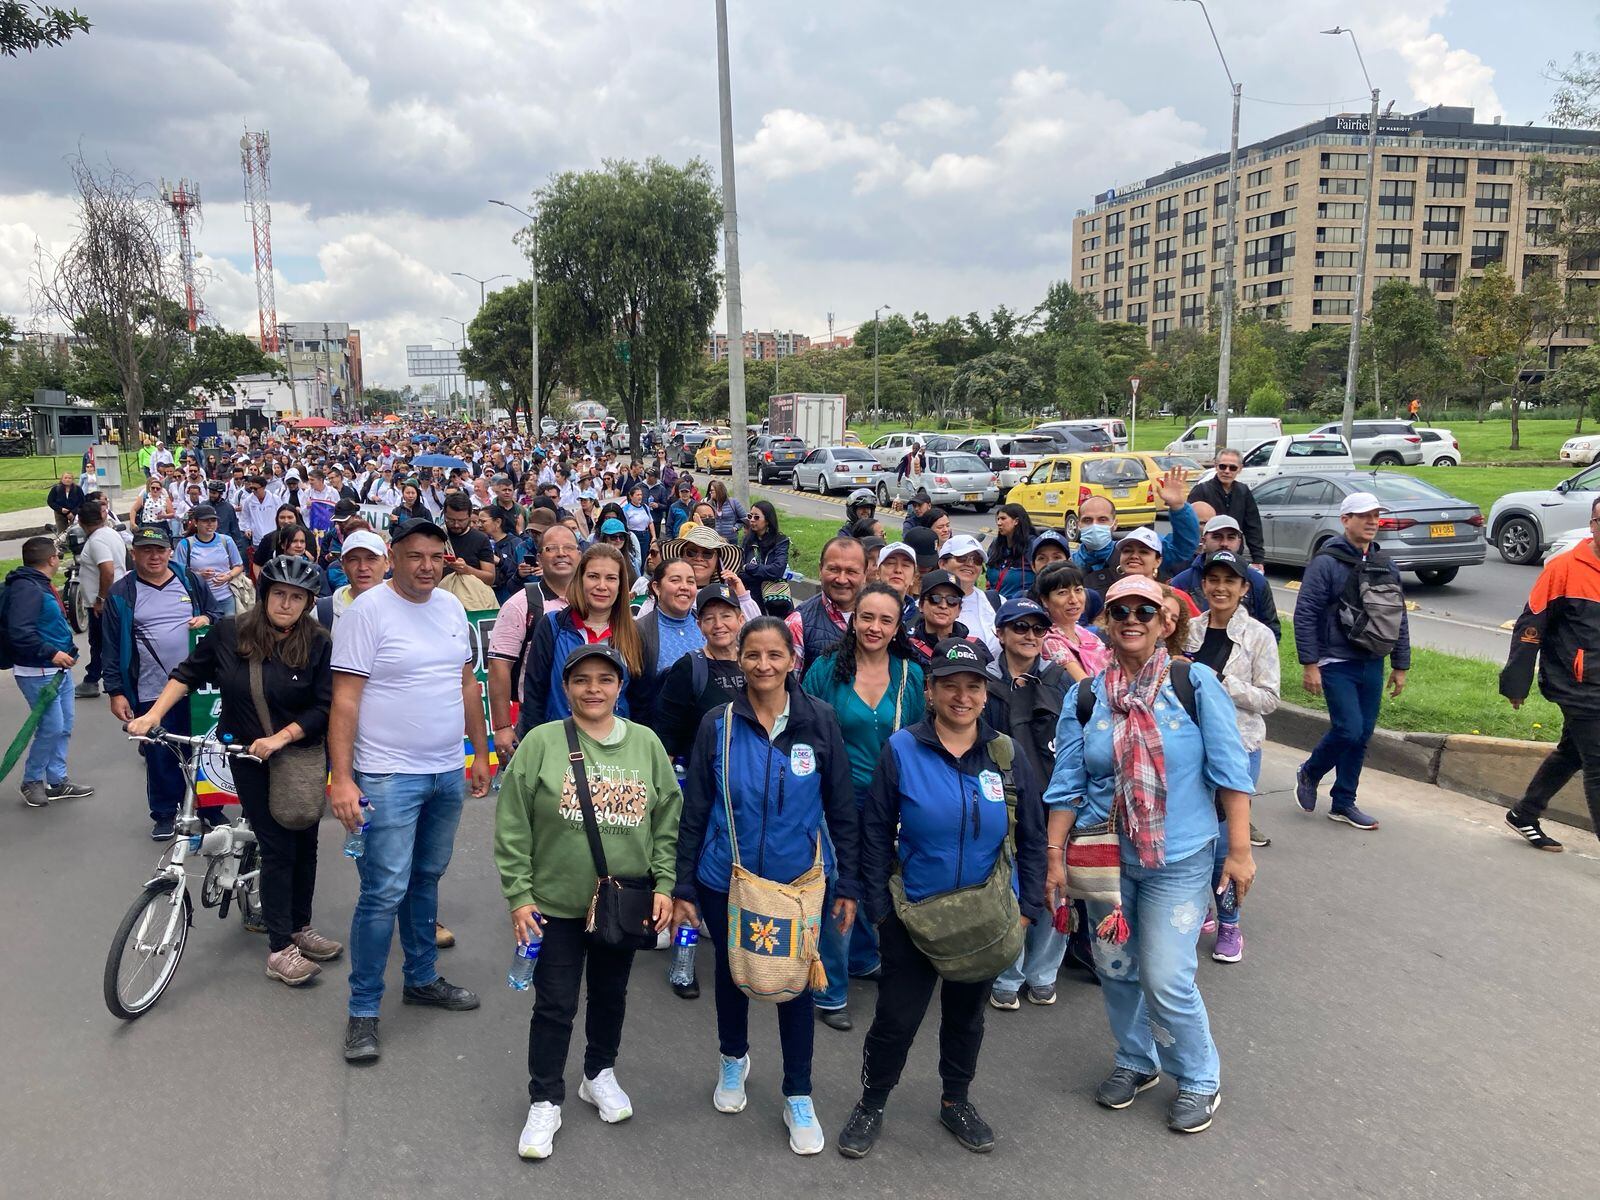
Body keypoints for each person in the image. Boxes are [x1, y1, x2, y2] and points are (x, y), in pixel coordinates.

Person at [1044, 574, 1256, 1134]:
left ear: (1166, 623)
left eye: (1145, 610)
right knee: (1115, 969)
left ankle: (1199, 1076)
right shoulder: (1086, 694)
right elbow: (1067, 779)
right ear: (1106, 624)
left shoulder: (1194, 682)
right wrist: (1053, 857)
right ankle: (1136, 1060)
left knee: (1165, 977)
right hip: (1104, 859)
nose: (1132, 619)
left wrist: (1239, 849)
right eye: (1120, 611)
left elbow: (1230, 770)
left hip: (1178, 859)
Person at [837, 638, 1046, 1159]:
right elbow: (875, 831)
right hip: (913, 915)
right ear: (929, 692)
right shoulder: (902, 748)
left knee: (966, 1018)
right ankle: (872, 1101)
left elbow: (1033, 839)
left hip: (983, 916)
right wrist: (881, 912)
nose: (961, 696)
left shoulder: (1005, 754)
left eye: (972, 686)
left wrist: (1026, 909)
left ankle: (956, 1101)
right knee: (896, 1020)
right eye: (949, 685)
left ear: (985, 693)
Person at [675, 617, 858, 1156]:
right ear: (740, 659)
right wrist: (685, 884)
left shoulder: (819, 722)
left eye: (774, 655)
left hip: (796, 884)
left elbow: (842, 809)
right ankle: (733, 1061)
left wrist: (849, 881)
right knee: (733, 976)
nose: (763, 665)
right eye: (752, 655)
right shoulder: (718, 724)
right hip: (723, 878)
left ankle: (798, 1093)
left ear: (791, 660)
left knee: (794, 987)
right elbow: (697, 808)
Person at [494, 643, 681, 1161]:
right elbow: (512, 823)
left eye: (604, 679)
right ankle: (545, 1098)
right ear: (566, 687)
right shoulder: (541, 743)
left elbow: (668, 819)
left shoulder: (644, 744)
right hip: (554, 903)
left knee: (610, 993)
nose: (593, 689)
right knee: (554, 1002)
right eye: (582, 680)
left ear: (620, 688)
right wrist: (519, 895)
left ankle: (599, 1072)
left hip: (623, 902)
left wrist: (665, 884)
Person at [127, 555, 340, 986]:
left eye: (296, 597)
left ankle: (300, 925)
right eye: (279, 593)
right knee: (278, 846)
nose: (286, 603)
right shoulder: (230, 632)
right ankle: (280, 948)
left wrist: (282, 738)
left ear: (307, 603)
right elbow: (187, 674)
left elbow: (324, 705)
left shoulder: (318, 642)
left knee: (305, 841)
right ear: (264, 596)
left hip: (298, 756)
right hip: (246, 756)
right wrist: (153, 715)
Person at [329, 516, 491, 1065]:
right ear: (392, 557)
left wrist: (480, 751)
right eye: (414, 555)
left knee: (426, 877)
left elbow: (467, 683)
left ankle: (421, 978)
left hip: (446, 771)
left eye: (435, 555)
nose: (426, 566)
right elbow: (345, 700)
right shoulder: (366, 612)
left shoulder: (449, 608)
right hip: (388, 777)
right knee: (382, 893)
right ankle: (363, 1011)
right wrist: (343, 778)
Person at [802, 582, 926, 1029]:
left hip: (890, 802)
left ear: (897, 627)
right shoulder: (825, 669)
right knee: (839, 886)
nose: (874, 627)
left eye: (885, 620)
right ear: (853, 620)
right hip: (834, 799)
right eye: (866, 617)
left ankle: (859, 957)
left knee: (877, 883)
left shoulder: (912, 675)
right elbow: (803, 729)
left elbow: (920, 741)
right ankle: (830, 990)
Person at [1292, 491, 1410, 831]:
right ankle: (1311, 772)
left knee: (1363, 734)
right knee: (1348, 728)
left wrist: (1401, 664)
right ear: (1346, 520)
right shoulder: (1326, 562)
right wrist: (1310, 663)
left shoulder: (1385, 562)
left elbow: (1398, 615)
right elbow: (1306, 613)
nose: (1372, 521)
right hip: (1335, 660)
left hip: (1372, 660)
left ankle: (1344, 802)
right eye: (1364, 515)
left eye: (1376, 515)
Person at [1183, 551, 1280, 960]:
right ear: (1203, 585)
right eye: (1213, 579)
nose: (1220, 587)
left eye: (1230, 580)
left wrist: (1222, 682)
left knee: (1226, 842)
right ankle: (1197, 907)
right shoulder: (1189, 630)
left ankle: (1229, 924)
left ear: (1244, 588)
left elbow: (1269, 699)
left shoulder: (1259, 636)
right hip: (1189, 748)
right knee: (1192, 838)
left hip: (1238, 748)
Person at [977, 597, 1073, 1010]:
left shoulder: (1059, 680)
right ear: (1000, 633)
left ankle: (1043, 971)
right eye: (1020, 628)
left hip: (1053, 802)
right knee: (1006, 887)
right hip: (1000, 802)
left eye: (1038, 629)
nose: (1030, 636)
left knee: (1054, 885)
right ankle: (1007, 970)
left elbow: (1076, 745)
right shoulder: (981, 681)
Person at [102, 524, 218, 840]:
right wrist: (115, 691)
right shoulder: (122, 594)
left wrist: (207, 619)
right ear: (134, 553)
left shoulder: (190, 581)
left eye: (160, 550)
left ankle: (209, 808)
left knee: (206, 749)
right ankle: (165, 812)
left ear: (170, 551)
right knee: (160, 752)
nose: (154, 556)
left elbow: (216, 615)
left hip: (197, 688)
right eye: (146, 550)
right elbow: (110, 647)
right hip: (150, 688)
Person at [1499, 494, 1600, 850]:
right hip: (1575, 683)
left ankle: (1524, 814)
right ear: (1593, 525)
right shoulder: (1564, 569)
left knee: (1573, 751)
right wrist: (1517, 681)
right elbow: (1530, 626)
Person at [519, 544, 648, 733]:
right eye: (593, 576)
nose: (602, 586)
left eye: (611, 578)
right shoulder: (552, 626)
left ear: (621, 586)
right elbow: (534, 695)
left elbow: (641, 703)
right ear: (580, 579)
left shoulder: (634, 633)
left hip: (615, 748)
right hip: (560, 743)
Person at [3, 537, 87, 808]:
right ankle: (31, 780)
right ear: (52, 559)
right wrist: (51, 652)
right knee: (51, 727)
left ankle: (57, 780)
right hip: (38, 670)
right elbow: (20, 631)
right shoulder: (27, 590)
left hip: (56, 669)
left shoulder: (37, 584)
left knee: (64, 725)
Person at [487, 524, 581, 756]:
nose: (561, 553)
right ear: (539, 557)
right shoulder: (520, 604)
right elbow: (499, 666)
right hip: (537, 722)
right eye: (552, 548)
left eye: (568, 547)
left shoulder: (594, 600)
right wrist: (501, 727)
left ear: (579, 555)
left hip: (588, 718)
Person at [1071, 469, 1199, 595]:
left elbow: (1183, 547)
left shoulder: (1136, 547)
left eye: (1102, 520)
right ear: (1078, 525)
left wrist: (1179, 508)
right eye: (1087, 520)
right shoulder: (1070, 565)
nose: (1095, 525)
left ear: (1115, 524)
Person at [1169, 515, 1280, 639]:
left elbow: (1270, 628)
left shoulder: (1257, 581)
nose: (1224, 544)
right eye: (1217, 537)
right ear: (1203, 541)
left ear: (1239, 542)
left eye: (1231, 538)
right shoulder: (1181, 582)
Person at [74, 500, 126, 700]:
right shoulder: (110, 533)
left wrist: (101, 599)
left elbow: (108, 570)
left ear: (80, 521)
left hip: (105, 603)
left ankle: (94, 680)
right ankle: (93, 678)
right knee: (107, 643)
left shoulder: (97, 541)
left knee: (102, 644)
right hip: (115, 598)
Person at [1187, 450, 1265, 568]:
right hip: (1205, 556)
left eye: (1232, 468)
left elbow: (1253, 526)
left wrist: (1258, 559)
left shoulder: (1243, 491)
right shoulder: (1201, 490)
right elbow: (1188, 525)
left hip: (1234, 555)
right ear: (1216, 466)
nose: (1227, 471)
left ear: (1240, 469)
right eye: (1223, 466)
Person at [796, 537, 866, 666]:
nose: (842, 579)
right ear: (820, 570)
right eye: (834, 569)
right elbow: (790, 684)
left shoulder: (880, 621)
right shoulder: (798, 624)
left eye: (851, 572)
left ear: (865, 575)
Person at [1036, 562, 1111, 682]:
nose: (1074, 600)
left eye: (1078, 590)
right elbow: (1085, 686)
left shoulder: (1086, 634)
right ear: (1045, 600)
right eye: (1062, 592)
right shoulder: (1049, 642)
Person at [635, 557, 703, 677]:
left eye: (691, 582)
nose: (684, 587)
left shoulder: (706, 624)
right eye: (675, 580)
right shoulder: (639, 630)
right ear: (657, 587)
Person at [175, 504, 246, 618]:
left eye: (213, 520)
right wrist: (198, 575)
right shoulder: (185, 545)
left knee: (228, 631)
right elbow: (177, 573)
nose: (210, 524)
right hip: (199, 600)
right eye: (205, 521)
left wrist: (228, 576)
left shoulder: (226, 541)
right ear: (196, 522)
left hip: (225, 597)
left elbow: (239, 566)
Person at [935, 534, 998, 654]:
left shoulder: (997, 602)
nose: (970, 564)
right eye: (962, 558)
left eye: (977, 560)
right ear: (942, 564)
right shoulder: (927, 604)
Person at [905, 569, 970, 667]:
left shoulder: (974, 647)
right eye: (935, 598)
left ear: (959, 609)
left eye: (952, 600)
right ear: (921, 605)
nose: (943, 606)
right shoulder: (906, 647)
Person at [738, 500, 791, 610]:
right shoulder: (747, 541)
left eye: (756, 517)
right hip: (752, 598)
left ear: (767, 520)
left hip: (773, 600)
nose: (752, 520)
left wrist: (750, 568)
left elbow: (777, 570)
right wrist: (762, 572)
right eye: (750, 516)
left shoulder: (780, 541)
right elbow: (740, 570)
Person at [985, 505, 1038, 600]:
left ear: (1016, 521)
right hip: (993, 606)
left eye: (1003, 518)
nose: (999, 523)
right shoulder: (996, 544)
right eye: (997, 519)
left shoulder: (1032, 545)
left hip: (1021, 607)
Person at [706, 479, 745, 544]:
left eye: (712, 491)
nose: (710, 492)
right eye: (710, 491)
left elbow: (744, 517)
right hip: (715, 539)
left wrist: (736, 527)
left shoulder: (733, 502)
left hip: (731, 539)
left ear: (719, 491)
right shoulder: (709, 504)